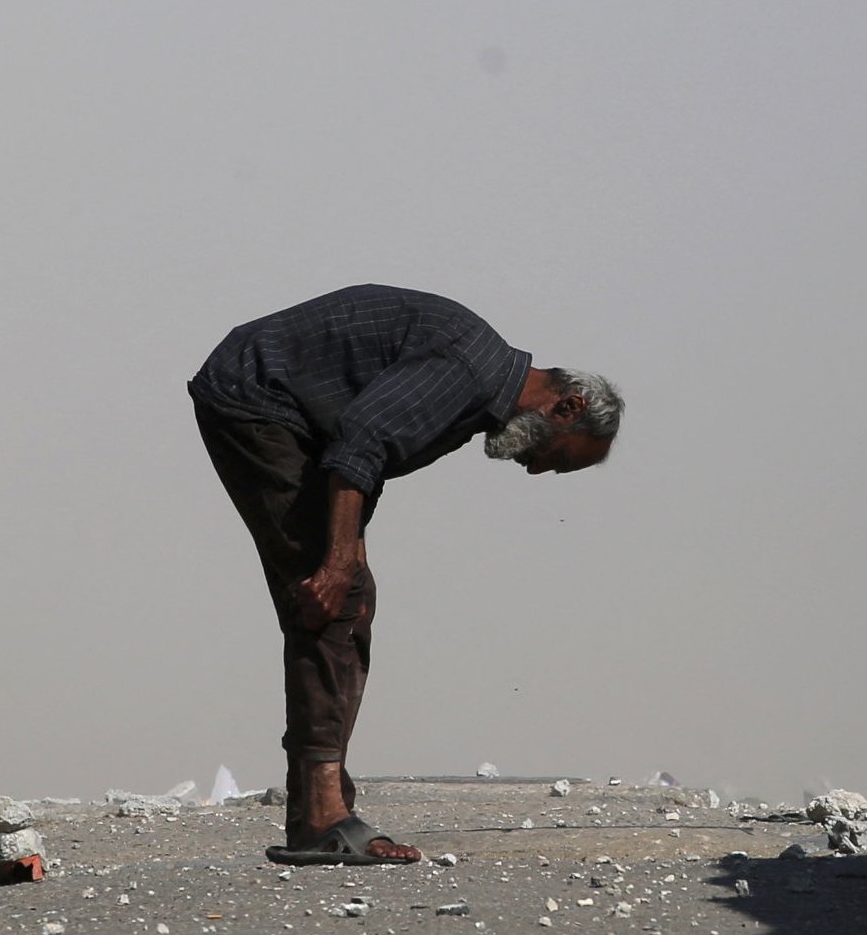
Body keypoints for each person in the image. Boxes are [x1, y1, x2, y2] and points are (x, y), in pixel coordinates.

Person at [189, 284, 622, 865]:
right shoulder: (469, 373)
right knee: (332, 600)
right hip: (256, 397)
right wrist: (338, 559)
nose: (538, 468)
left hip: (285, 413)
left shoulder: (475, 396)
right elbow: (362, 440)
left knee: (349, 598)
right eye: (560, 458)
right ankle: (322, 817)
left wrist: (349, 552)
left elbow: (367, 455)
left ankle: (322, 809)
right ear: (565, 407)